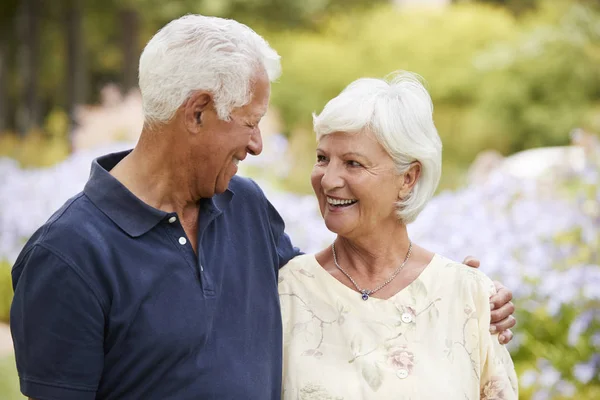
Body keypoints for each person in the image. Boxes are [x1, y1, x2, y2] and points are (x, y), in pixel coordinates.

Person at [9, 15, 515, 400]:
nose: (256, 145)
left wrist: (452, 296)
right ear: (199, 112)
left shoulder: (245, 208)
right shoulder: (68, 256)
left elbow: (333, 295)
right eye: (250, 122)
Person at [279, 72, 518, 399]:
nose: (328, 179)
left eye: (352, 163)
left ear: (408, 178)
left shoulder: (469, 296)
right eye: (323, 158)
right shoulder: (286, 291)